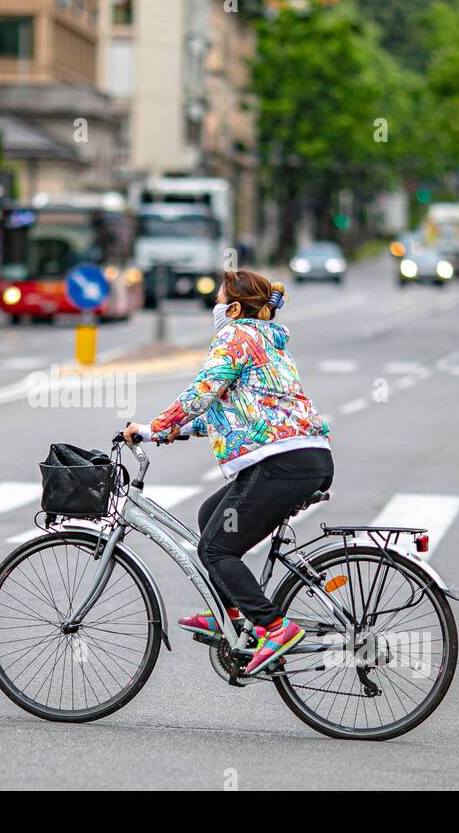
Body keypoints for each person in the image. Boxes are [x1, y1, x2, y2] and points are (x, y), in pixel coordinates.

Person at [122, 269, 333, 676]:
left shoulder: (237, 337)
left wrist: (156, 427)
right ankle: (231, 615)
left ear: (234, 308)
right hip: (305, 459)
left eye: (218, 301)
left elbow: (201, 393)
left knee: (215, 549)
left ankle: (274, 626)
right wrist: (161, 433)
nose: (215, 308)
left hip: (282, 463)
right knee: (209, 518)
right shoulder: (266, 342)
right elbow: (224, 413)